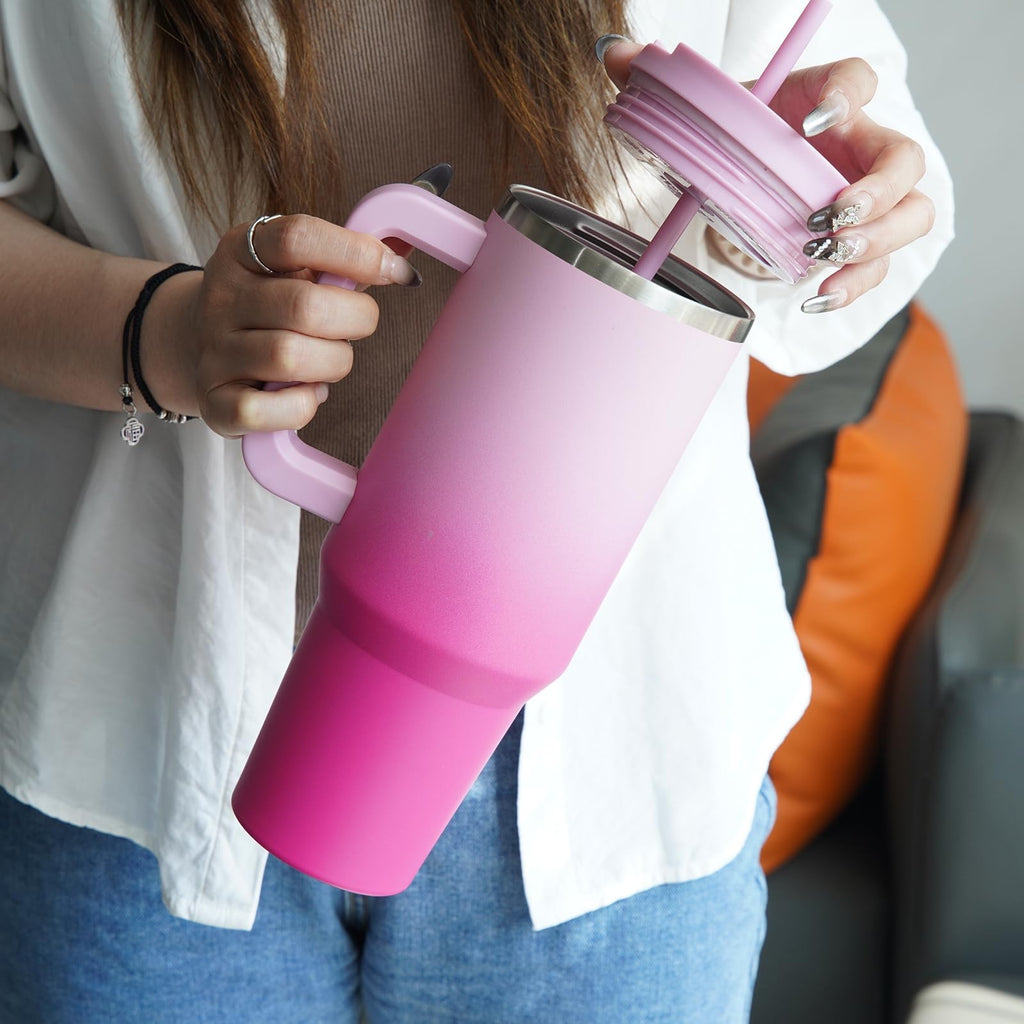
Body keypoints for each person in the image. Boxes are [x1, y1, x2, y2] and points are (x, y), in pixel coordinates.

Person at [0, 0, 951, 1021]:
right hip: (137, 718)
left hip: (613, 751)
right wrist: (164, 333)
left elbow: (883, 188)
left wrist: (810, 213)